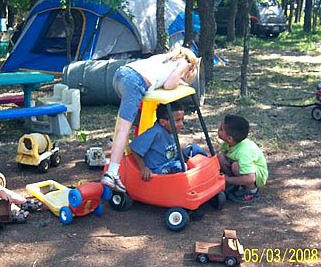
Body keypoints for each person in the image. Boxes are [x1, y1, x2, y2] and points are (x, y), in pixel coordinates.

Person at [101, 47, 200, 192]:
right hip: (134, 81)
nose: (182, 78)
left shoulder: (165, 60)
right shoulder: (183, 63)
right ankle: (112, 173)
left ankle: (124, 165)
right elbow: (169, 85)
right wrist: (184, 68)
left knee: (134, 120)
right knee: (123, 129)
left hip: (121, 76)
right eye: (185, 77)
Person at [129, 102, 207, 181]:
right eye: (177, 120)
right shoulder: (155, 131)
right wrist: (143, 168)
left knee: (194, 148)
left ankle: (208, 170)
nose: (181, 124)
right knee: (180, 166)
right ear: (163, 122)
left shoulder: (171, 129)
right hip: (159, 168)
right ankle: (192, 180)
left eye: (182, 120)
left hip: (171, 160)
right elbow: (134, 147)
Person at [217, 114, 268, 203]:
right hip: (245, 169)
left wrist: (228, 179)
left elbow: (250, 178)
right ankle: (236, 183)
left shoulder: (244, 152)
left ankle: (251, 190)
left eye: (221, 129)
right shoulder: (228, 143)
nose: (218, 129)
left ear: (229, 138)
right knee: (220, 157)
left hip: (256, 176)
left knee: (236, 166)